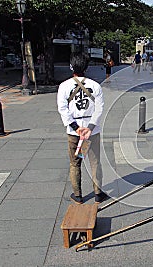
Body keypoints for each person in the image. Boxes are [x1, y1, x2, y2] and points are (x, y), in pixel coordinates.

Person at [57, 52, 109, 204]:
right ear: (86, 67)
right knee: (95, 162)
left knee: (75, 163)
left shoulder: (64, 86)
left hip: (75, 133)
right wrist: (90, 127)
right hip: (91, 132)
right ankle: (98, 193)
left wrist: (76, 127)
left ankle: (78, 195)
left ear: (71, 66)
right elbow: (99, 109)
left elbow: (63, 109)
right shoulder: (95, 86)